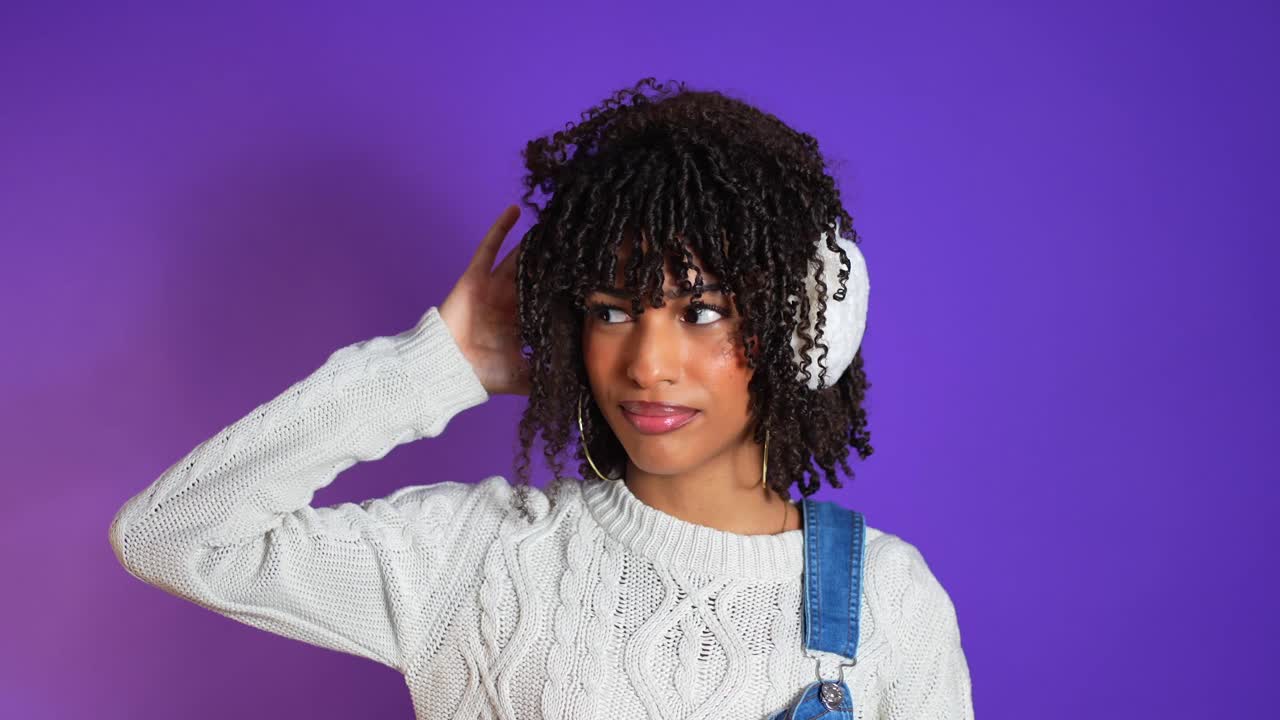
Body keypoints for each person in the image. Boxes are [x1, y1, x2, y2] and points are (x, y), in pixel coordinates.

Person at [109, 77, 973, 719]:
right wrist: (436, 366)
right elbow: (172, 536)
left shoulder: (888, 604)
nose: (646, 362)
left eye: (701, 311)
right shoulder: (474, 562)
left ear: (806, 324)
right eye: (611, 311)